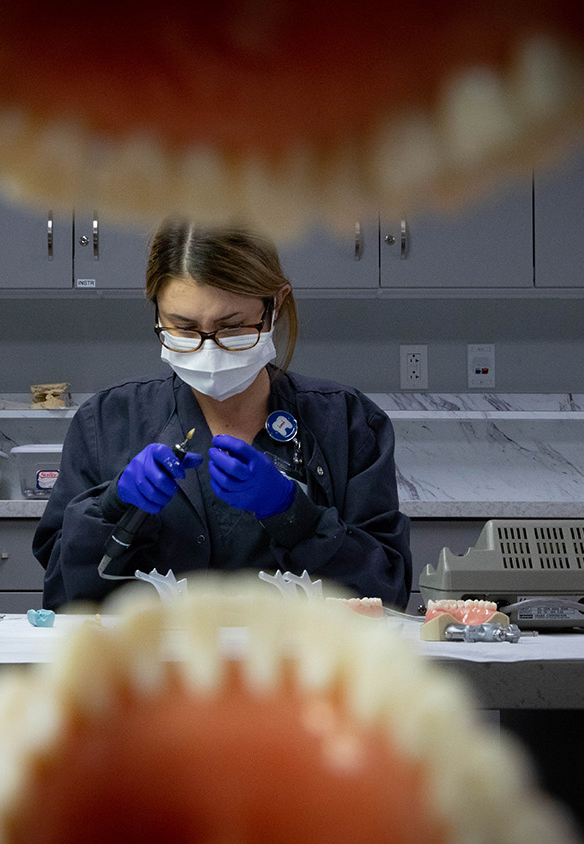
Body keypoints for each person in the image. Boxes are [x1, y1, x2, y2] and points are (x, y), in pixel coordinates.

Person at [33, 218, 411, 609]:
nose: (208, 349)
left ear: (275, 305)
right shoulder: (108, 422)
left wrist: (295, 517)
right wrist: (112, 508)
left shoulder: (347, 423)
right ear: (158, 314)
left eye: (232, 327)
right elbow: (63, 596)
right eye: (183, 327)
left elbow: (386, 592)